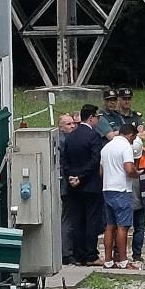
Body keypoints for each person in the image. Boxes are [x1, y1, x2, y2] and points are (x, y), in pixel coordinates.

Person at [62, 105, 104, 265]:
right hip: (90, 185)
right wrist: (81, 176)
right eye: (97, 117)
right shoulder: (93, 136)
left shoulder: (71, 137)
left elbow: (64, 160)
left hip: (74, 186)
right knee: (91, 221)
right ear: (91, 117)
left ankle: (78, 255)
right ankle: (90, 254)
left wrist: (71, 177)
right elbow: (95, 161)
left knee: (77, 220)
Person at [100, 123, 140, 269]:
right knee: (123, 226)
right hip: (122, 189)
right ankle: (123, 260)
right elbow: (129, 169)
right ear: (130, 135)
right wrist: (136, 174)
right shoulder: (125, 147)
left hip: (107, 188)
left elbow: (101, 171)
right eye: (133, 138)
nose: (133, 141)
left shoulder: (106, 147)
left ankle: (108, 260)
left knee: (110, 226)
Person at [129, 130, 145, 267]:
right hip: (141, 196)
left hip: (139, 197)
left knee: (132, 226)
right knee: (139, 227)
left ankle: (122, 254)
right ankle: (136, 254)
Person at [57, 113, 76, 265]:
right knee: (67, 218)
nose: (73, 126)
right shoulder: (65, 142)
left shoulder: (61, 140)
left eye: (73, 123)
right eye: (69, 124)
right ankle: (66, 252)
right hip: (65, 184)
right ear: (61, 127)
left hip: (62, 183)